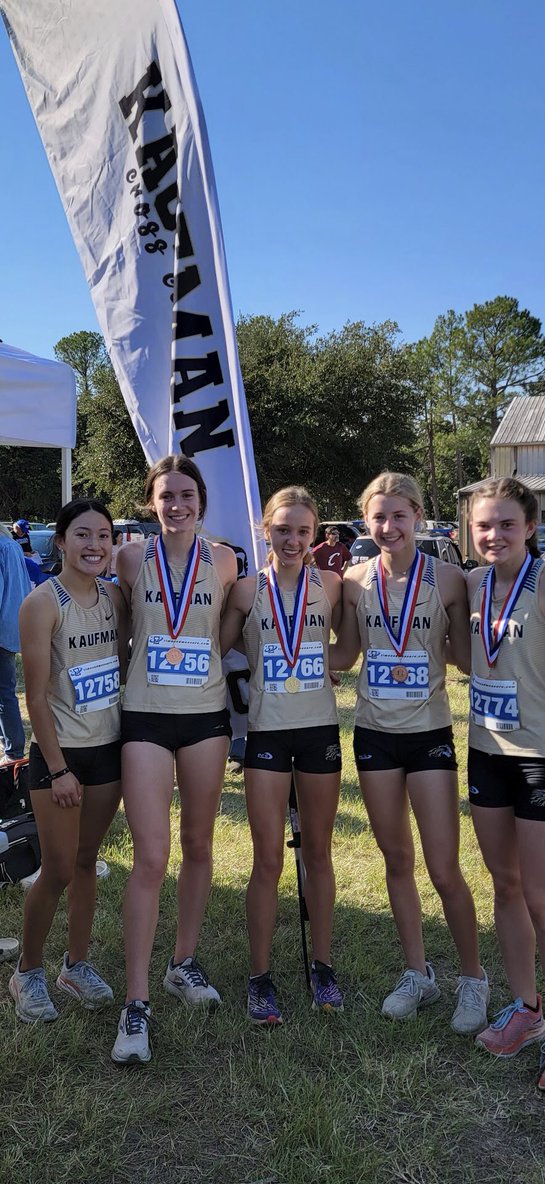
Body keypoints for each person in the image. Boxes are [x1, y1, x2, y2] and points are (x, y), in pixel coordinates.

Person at [331, 472, 488, 1032]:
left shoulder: (450, 579)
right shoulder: (352, 581)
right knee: (397, 861)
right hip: (374, 735)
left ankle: (473, 979)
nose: (389, 527)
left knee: (444, 866)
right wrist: (286, 647)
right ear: (365, 521)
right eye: (378, 517)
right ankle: (417, 972)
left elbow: (469, 659)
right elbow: (345, 655)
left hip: (428, 736)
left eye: (399, 516)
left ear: (418, 516)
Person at [467, 477, 545, 1096]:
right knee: (506, 887)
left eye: (506, 525)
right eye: (483, 525)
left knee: (544, 900)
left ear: (531, 527)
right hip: (485, 756)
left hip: (542, 762)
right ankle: (526, 1008)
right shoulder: (472, 582)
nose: (493, 535)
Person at [111, 454, 237, 1065]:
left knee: (199, 844)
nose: (177, 504)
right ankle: (136, 1002)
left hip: (207, 716)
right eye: (166, 496)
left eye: (186, 494)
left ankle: (181, 963)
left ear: (201, 500)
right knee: (150, 857)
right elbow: (114, 629)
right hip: (145, 716)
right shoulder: (130, 558)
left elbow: (233, 633)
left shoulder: (225, 560)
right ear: (151, 502)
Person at [221, 485, 343, 1024]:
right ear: (264, 530)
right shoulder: (247, 591)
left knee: (317, 852)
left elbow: (355, 644)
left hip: (318, 730)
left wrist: (327, 658)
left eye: (302, 531)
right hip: (267, 734)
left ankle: (323, 966)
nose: (292, 540)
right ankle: (260, 975)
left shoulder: (334, 586)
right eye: (282, 529)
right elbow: (217, 646)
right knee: (267, 859)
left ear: (314, 535)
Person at [9, 500, 127, 1023]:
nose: (95, 545)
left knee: (86, 863)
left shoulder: (114, 596)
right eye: (82, 535)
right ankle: (27, 972)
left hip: (109, 748)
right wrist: (57, 768)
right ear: (60, 541)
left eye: (103, 535)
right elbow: (34, 698)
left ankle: (75, 965)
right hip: (60, 755)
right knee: (55, 869)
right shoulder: (42, 603)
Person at [0, 525, 31, 767]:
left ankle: (13, 752)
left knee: (4, 695)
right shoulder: (10, 545)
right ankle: (11, 749)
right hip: (12, 627)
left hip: (2, 628)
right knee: (5, 692)